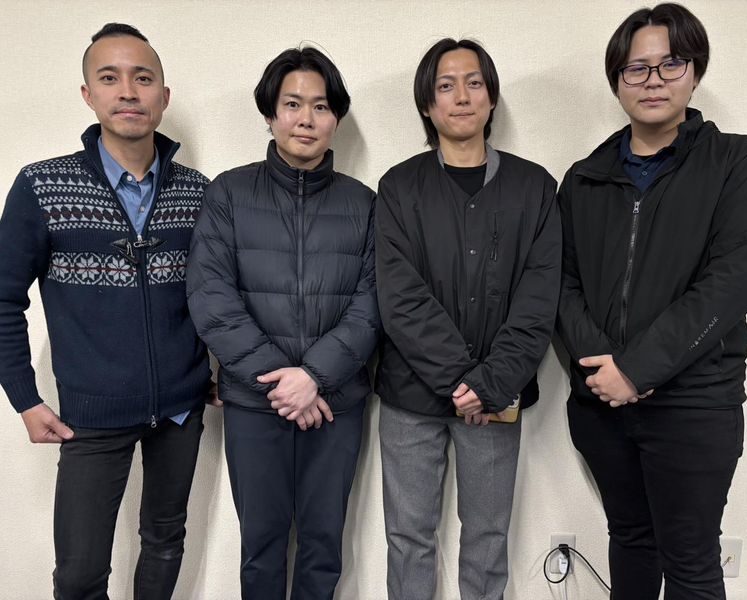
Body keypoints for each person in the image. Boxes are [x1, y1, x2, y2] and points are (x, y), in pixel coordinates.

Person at [557, 4, 747, 599]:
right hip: (601, 403)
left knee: (690, 560)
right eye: (637, 68)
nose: (653, 80)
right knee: (630, 540)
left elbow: (732, 282)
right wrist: (604, 371)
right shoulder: (584, 178)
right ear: (617, 80)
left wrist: (637, 369)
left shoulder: (741, 163)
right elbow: (561, 282)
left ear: (695, 70)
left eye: (670, 64)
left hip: (695, 404)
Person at [0, 23, 212, 600]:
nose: (128, 92)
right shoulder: (43, 185)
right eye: (110, 78)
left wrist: (220, 368)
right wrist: (24, 398)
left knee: (165, 542)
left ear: (163, 96)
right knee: (79, 573)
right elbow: (3, 298)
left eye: (143, 79)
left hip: (180, 409)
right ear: (88, 94)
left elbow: (219, 292)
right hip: (90, 415)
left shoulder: (198, 192)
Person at [186, 46, 379, 600]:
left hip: (335, 402)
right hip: (256, 403)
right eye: (292, 104)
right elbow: (211, 296)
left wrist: (315, 376)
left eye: (320, 106)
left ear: (335, 118)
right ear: (270, 113)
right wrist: (282, 380)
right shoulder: (228, 193)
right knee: (262, 545)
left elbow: (373, 302)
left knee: (323, 544)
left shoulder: (365, 203)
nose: (306, 119)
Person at [375, 38, 561, 600]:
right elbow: (400, 297)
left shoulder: (535, 187)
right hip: (411, 396)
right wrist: (464, 379)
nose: (462, 96)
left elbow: (538, 298)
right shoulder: (398, 187)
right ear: (427, 105)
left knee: (487, 537)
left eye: (474, 83)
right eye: (446, 86)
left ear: (491, 97)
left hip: (497, 397)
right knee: (408, 537)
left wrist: (489, 383)